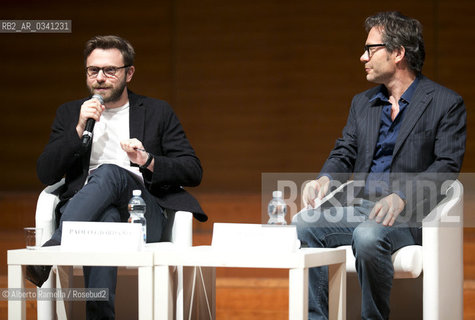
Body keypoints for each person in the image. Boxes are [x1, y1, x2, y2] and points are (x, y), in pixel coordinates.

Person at [293, 11, 466, 320]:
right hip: (360, 206)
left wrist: (402, 197)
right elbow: (344, 151)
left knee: (368, 235)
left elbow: (446, 167)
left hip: (408, 215)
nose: (363, 57)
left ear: (398, 53)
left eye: (370, 49)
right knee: (307, 223)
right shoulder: (363, 103)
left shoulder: (445, 103)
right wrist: (323, 179)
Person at [27, 35, 206, 319]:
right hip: (86, 215)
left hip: (144, 214)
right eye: (93, 70)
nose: (100, 78)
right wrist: (77, 130)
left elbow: (192, 169)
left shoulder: (157, 111)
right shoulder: (71, 113)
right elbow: (45, 173)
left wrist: (147, 160)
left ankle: (52, 248)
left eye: (110, 70)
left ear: (129, 73)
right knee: (105, 216)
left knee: (110, 172)